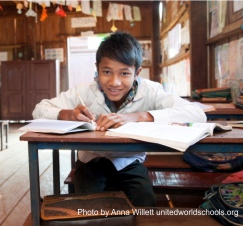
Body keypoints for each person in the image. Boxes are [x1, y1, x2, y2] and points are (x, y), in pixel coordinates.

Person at [32, 31, 206, 207]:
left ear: (137, 72)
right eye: (106, 72)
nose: (114, 82)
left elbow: (197, 113)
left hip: (129, 162)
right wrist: (66, 114)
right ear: (97, 68)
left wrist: (140, 116)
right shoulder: (82, 91)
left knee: (145, 203)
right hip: (91, 163)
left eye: (124, 73)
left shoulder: (151, 91)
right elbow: (39, 109)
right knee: (89, 207)